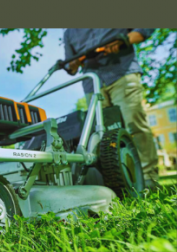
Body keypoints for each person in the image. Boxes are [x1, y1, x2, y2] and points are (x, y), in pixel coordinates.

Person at [63, 29, 160, 190]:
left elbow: (144, 29)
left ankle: (149, 180)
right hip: (93, 84)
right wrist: (72, 64)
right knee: (103, 136)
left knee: (134, 125)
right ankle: (118, 183)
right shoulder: (69, 32)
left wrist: (124, 40)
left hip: (121, 73)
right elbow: (70, 67)